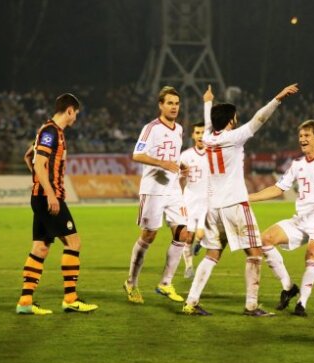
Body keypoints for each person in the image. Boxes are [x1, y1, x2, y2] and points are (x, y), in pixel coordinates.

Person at [182, 83, 299, 316]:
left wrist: (207, 102)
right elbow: (260, 118)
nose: (237, 119)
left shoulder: (207, 138)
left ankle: (190, 302)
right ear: (231, 120)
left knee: (213, 254)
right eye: (235, 116)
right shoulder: (235, 137)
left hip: (212, 207)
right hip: (235, 204)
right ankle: (251, 306)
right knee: (255, 254)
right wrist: (277, 98)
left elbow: (208, 123)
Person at [249, 120, 314, 316]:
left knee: (311, 254)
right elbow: (278, 188)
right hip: (300, 219)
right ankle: (288, 287)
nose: (302, 139)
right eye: (300, 136)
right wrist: (249, 197)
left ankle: (301, 303)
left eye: (307, 136)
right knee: (265, 240)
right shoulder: (296, 164)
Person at [16, 93, 98, 315]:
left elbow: (29, 157)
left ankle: (25, 302)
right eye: (76, 114)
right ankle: (71, 299)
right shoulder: (51, 132)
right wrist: (51, 194)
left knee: (41, 247)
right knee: (74, 243)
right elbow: (40, 163)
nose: (75, 119)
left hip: (41, 196)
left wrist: (38, 177)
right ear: (70, 110)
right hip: (48, 198)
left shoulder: (49, 131)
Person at [123, 86, 189, 304]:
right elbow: (137, 154)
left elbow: (173, 159)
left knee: (182, 233)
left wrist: (180, 169)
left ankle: (166, 283)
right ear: (161, 105)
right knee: (149, 236)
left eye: (177, 103)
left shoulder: (179, 129)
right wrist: (162, 163)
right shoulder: (151, 128)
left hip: (173, 190)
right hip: (153, 190)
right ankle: (131, 283)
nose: (174, 107)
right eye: (169, 103)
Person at [179, 121, 208, 279]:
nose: (200, 136)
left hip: (207, 202)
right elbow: (179, 180)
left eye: (203, 132)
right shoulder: (185, 156)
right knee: (188, 237)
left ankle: (201, 244)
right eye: (197, 133)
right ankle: (189, 266)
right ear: (193, 135)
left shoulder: (212, 155)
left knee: (201, 234)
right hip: (189, 201)